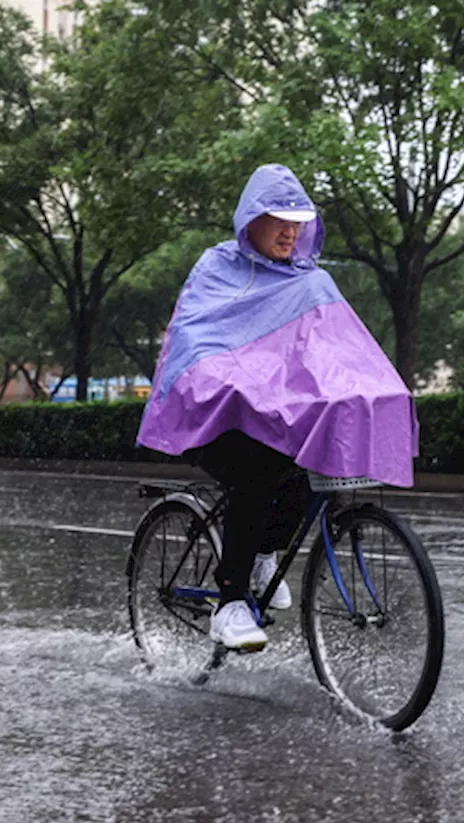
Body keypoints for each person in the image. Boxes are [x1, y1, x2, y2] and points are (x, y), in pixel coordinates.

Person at [137, 164, 418, 651]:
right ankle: (229, 604)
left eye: (299, 220)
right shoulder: (217, 268)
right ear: (252, 219)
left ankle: (265, 552)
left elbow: (340, 351)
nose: (291, 230)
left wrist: (370, 389)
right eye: (279, 218)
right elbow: (193, 343)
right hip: (211, 416)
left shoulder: (310, 282)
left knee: (311, 466)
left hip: (273, 418)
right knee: (256, 476)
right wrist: (234, 386)